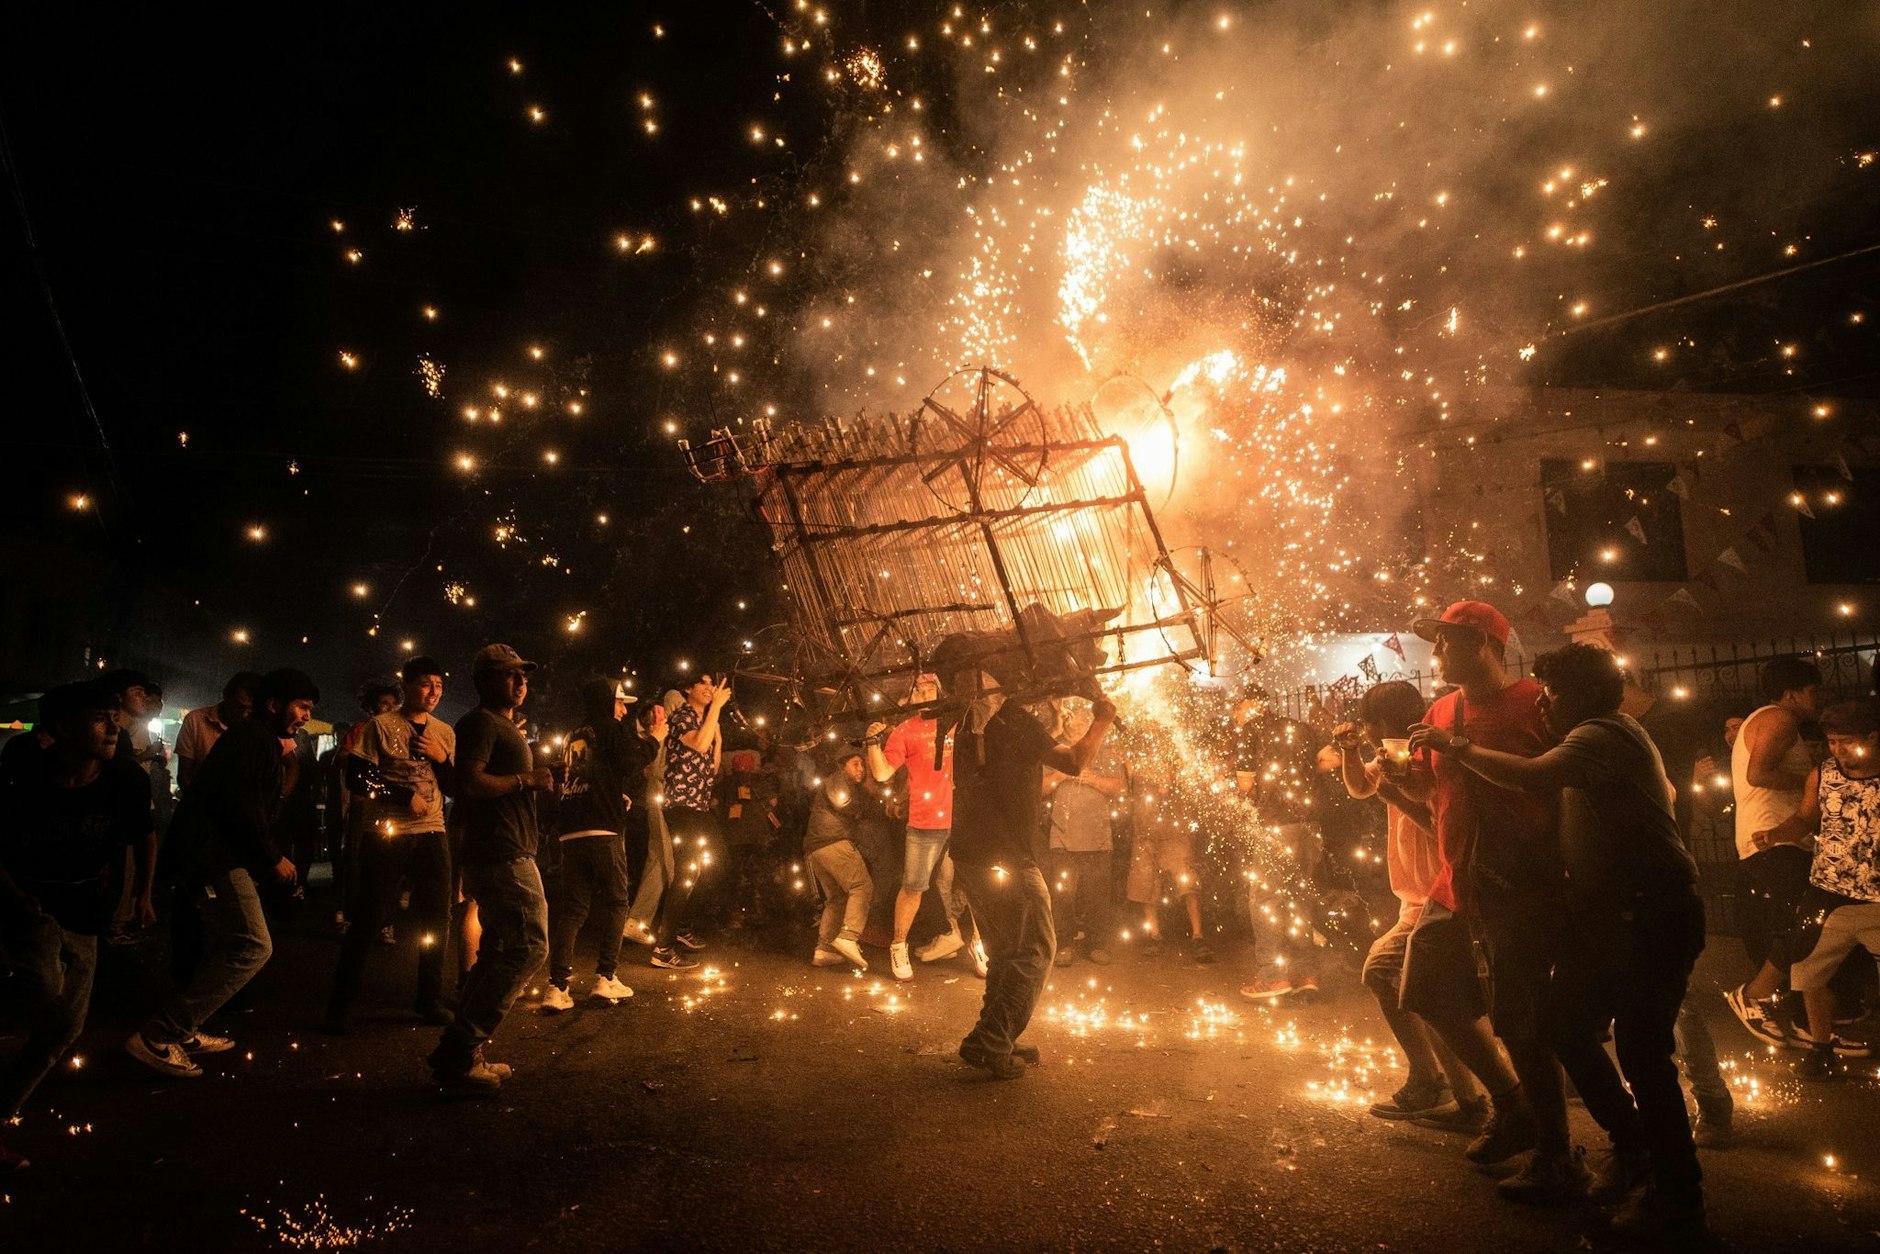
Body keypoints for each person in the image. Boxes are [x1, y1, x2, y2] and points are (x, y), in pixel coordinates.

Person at [1415, 644, 1707, 1236]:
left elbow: (1530, 777)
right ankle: (1633, 1149)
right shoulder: (1593, 734)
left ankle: (1678, 1195)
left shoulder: (1602, 736)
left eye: (1554, 695)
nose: (1545, 707)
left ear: (1588, 695)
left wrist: (1455, 746)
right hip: (1611, 919)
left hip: (1654, 917)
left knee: (1645, 1055)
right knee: (1560, 1023)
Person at [1400, 600, 1576, 1202]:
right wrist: (1389, 777)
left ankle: (1558, 1154)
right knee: (1422, 986)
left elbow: (1559, 784)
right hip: (1455, 882)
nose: (1437, 653)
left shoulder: (1536, 703)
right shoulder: (1441, 709)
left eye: (1446, 642)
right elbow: (1431, 792)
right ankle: (1512, 1105)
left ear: (1482, 644)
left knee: (1522, 1022)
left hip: (1519, 885)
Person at [127, 668, 316, 1079]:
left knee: (234, 941)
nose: (305, 716)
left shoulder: (261, 739)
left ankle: (185, 1026)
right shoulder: (254, 739)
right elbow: (241, 807)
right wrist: (272, 858)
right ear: (274, 704)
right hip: (217, 854)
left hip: (222, 853)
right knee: (254, 945)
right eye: (302, 707)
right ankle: (160, 1034)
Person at [0, 681, 157, 1171]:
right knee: (44, 990)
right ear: (63, 727)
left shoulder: (125, 780)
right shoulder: (24, 775)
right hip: (28, 904)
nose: (114, 726)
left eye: (115, 716)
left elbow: (142, 836)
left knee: (66, 1025)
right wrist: (14, 896)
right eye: (99, 717)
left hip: (85, 906)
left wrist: (142, 893)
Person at [1333, 682, 1495, 1129]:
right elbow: (1360, 788)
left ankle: (1457, 1092)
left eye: (1368, 722)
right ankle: (1455, 1092)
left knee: (1396, 977)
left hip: (1439, 894)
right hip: (1416, 899)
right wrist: (1350, 754)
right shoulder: (1391, 755)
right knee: (1414, 989)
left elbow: (1440, 830)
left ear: (1389, 721)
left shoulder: (1429, 755)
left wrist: (1396, 794)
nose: (1365, 731)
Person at [943, 662, 1116, 1080]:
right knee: (1035, 949)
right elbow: (1074, 761)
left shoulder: (970, 723)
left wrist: (1052, 721)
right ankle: (990, 1040)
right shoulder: (1011, 721)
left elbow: (1016, 761)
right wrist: (1103, 719)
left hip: (971, 854)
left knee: (1007, 950)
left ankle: (999, 1032)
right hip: (1005, 857)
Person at [428, 645, 554, 1094]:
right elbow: (468, 783)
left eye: (524, 676)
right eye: (509, 676)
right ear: (485, 681)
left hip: (505, 851)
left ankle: (460, 1052)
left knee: (500, 950)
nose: (521, 683)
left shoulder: (500, 725)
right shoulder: (482, 722)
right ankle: (460, 1050)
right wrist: (528, 780)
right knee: (529, 948)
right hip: (503, 856)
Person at [1621, 672, 1735, 1147]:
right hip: (1620, 881)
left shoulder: (1664, 725)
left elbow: (1681, 792)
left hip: (1660, 877)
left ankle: (1710, 1102)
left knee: (1674, 999)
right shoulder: (1615, 731)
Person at [325, 656, 457, 1033]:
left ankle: (428, 999)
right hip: (389, 833)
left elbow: (453, 785)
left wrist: (441, 757)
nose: (432, 692)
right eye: (425, 684)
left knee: (436, 919)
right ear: (407, 686)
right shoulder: (380, 726)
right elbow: (357, 776)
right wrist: (400, 795)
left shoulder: (444, 732)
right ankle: (341, 1006)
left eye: (439, 686)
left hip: (433, 833)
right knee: (369, 917)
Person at [1750, 699, 1880, 1078]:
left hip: (1877, 897)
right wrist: (1775, 834)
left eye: (1848, 742)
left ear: (1873, 738)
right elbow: (1806, 818)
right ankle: (1821, 1048)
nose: (1839, 751)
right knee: (1810, 971)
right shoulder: (1823, 775)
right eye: (1833, 742)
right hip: (1828, 890)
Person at [1724, 657, 1825, 1045]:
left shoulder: (1770, 720)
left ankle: (1811, 1022)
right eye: (1814, 690)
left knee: (1808, 927)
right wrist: (1815, 781)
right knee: (1806, 924)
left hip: (1781, 838)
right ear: (1791, 694)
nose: (1820, 698)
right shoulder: (1779, 719)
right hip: (1774, 839)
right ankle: (1753, 995)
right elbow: (1758, 773)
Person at [866, 672, 975, 982]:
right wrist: (872, 742)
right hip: (925, 821)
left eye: (930, 688)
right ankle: (898, 945)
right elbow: (884, 773)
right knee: (914, 886)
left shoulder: (957, 721)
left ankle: (979, 946)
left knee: (976, 883)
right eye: (919, 690)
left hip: (962, 818)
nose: (925, 694)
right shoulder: (904, 731)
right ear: (911, 698)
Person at [539, 678, 638, 1011]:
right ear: (608, 701)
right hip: (603, 830)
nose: (624, 709)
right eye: (620, 702)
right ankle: (605, 978)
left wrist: (611, 794)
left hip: (572, 830)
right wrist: (653, 740)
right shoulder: (610, 729)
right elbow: (629, 764)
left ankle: (557, 986)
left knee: (573, 909)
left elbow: (586, 776)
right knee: (616, 901)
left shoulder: (573, 735)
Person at [648, 671, 729, 969]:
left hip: (698, 806)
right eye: (703, 683)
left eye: (711, 684)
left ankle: (679, 929)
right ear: (688, 689)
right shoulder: (681, 716)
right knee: (687, 872)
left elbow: (712, 766)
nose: (709, 688)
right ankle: (664, 947)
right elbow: (696, 745)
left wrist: (718, 738)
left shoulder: (704, 721)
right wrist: (716, 708)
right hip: (682, 805)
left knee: (707, 866)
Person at [1045, 698, 1125, 968]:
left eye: (1082, 719)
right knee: (1062, 896)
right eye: (1073, 719)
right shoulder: (1056, 750)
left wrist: (1090, 779)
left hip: (1098, 838)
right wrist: (1064, 775)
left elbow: (1119, 786)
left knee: (1097, 897)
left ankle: (1097, 944)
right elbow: (1041, 787)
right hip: (1062, 838)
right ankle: (1064, 944)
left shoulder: (1105, 750)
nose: (1076, 723)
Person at [804, 747, 873, 970]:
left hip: (816, 849)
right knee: (862, 886)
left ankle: (824, 950)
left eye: (862, 765)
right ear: (843, 764)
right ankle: (849, 936)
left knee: (837, 898)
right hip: (833, 841)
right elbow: (842, 802)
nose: (860, 769)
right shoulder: (837, 779)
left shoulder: (840, 781)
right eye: (856, 764)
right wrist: (867, 804)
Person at [621, 702, 679, 955]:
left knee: (658, 859)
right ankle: (672, 932)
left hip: (657, 799)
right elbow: (653, 770)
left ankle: (637, 920)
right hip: (659, 798)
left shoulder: (658, 735)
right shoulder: (656, 736)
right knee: (670, 860)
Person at [175, 672, 262, 792]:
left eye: (251, 710)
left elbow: (292, 765)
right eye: (238, 706)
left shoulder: (261, 725)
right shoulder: (195, 720)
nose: (244, 714)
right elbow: (184, 776)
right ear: (226, 695)